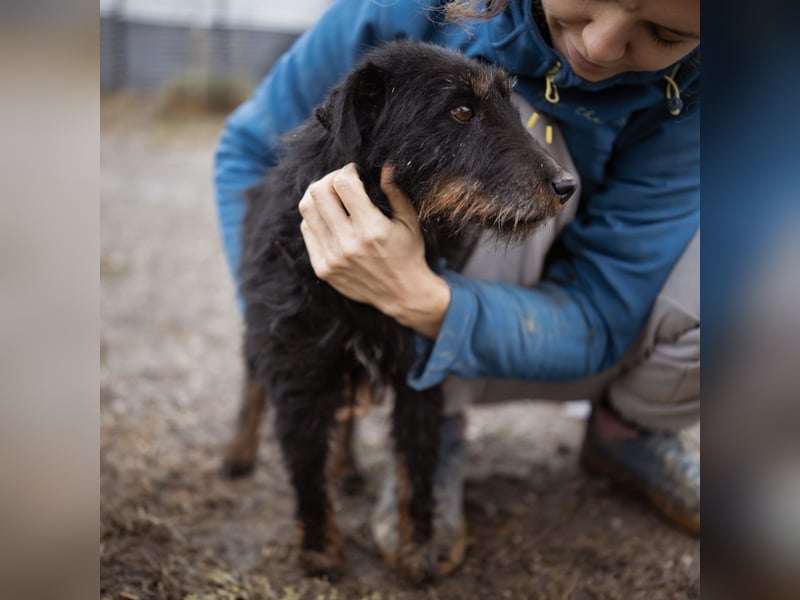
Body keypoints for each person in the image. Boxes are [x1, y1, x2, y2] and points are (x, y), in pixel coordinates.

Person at [214, 0, 701, 564]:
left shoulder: (712, 90)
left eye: (664, 35)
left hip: (494, 292)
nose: (599, 46)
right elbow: (247, 150)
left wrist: (422, 300)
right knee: (287, 367)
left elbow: (603, 313)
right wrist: (269, 324)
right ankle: (307, 494)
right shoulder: (392, 17)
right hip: (335, 252)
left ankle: (627, 431)